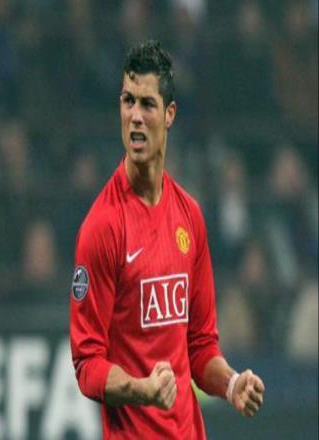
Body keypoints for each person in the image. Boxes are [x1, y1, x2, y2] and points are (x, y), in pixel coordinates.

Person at [69, 40, 265, 439]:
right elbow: (87, 365)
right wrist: (141, 390)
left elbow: (200, 346)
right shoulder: (102, 227)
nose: (135, 117)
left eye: (147, 104)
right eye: (128, 101)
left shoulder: (189, 216)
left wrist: (231, 385)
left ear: (169, 114)